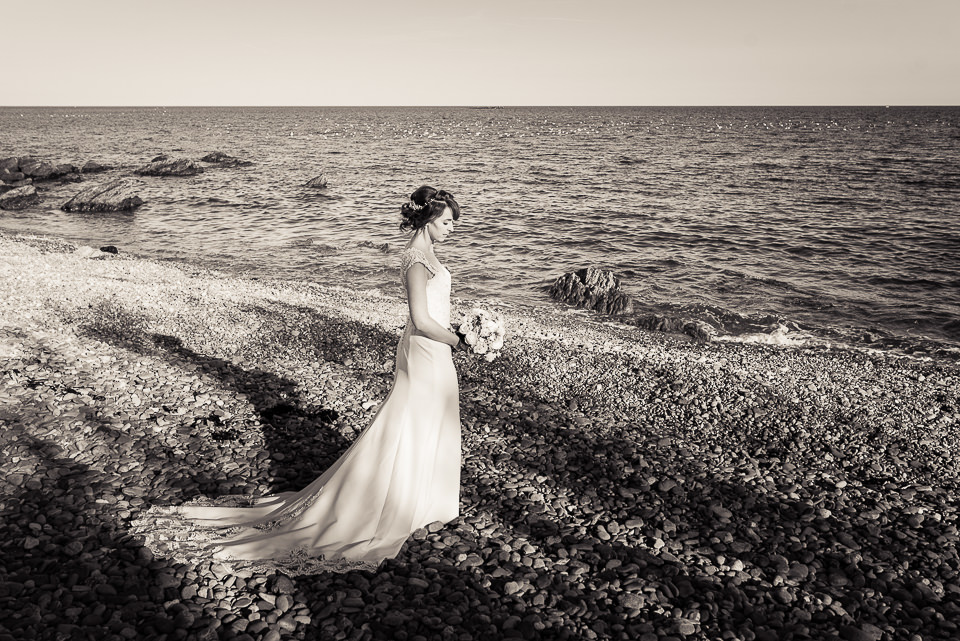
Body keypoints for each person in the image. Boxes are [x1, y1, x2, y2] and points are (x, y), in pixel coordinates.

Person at [130, 186, 466, 574]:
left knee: (428, 415)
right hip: (426, 349)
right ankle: (397, 501)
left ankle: (424, 499)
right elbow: (422, 320)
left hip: (432, 348)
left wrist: (457, 330)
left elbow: (433, 313)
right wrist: (459, 339)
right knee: (414, 416)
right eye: (447, 222)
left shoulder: (428, 255)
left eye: (454, 222)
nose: (452, 228)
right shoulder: (416, 260)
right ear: (427, 220)